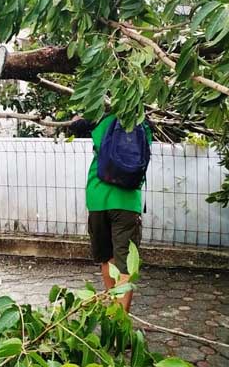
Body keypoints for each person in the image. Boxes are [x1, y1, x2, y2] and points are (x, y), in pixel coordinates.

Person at [70, 114, 152, 312]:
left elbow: (74, 126)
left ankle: (112, 313)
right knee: (126, 264)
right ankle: (120, 321)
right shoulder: (144, 123)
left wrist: (80, 117)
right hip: (127, 201)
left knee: (107, 258)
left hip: (98, 198)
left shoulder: (99, 119)